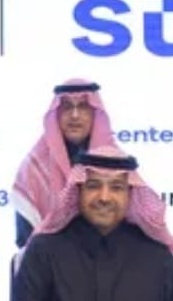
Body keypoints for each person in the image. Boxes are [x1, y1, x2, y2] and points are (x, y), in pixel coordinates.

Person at [11, 145, 173, 301]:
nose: (104, 197)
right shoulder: (44, 249)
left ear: (130, 195)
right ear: (78, 191)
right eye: (93, 186)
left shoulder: (155, 252)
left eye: (116, 188)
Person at [11, 79, 117, 248]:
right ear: (56, 114)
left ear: (95, 114)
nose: (75, 115)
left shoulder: (117, 164)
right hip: (47, 259)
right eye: (67, 107)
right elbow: (25, 239)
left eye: (83, 106)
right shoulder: (34, 167)